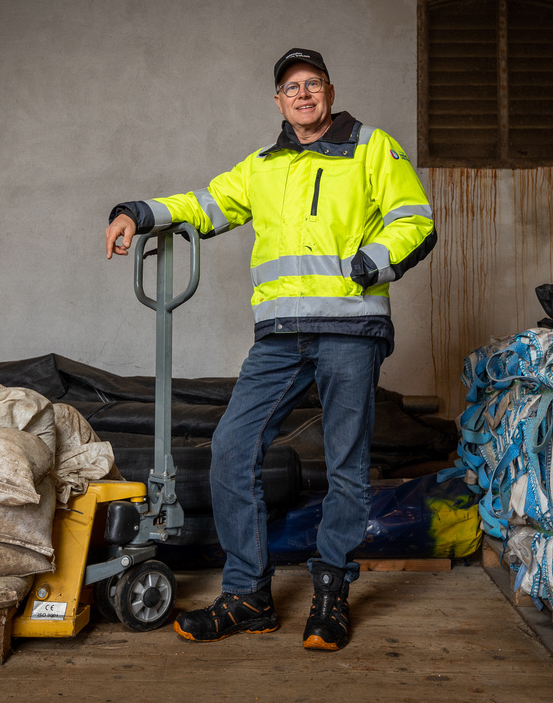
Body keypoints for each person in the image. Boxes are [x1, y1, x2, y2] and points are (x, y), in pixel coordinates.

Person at [104, 48, 435, 651]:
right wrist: (136, 212)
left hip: (349, 328)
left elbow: (415, 219)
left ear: (329, 92)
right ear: (279, 101)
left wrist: (373, 262)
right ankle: (248, 596)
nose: (302, 95)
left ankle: (331, 596)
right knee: (233, 446)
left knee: (345, 463)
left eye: (312, 84)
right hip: (280, 336)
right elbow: (204, 204)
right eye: (291, 87)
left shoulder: (372, 148)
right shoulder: (262, 166)